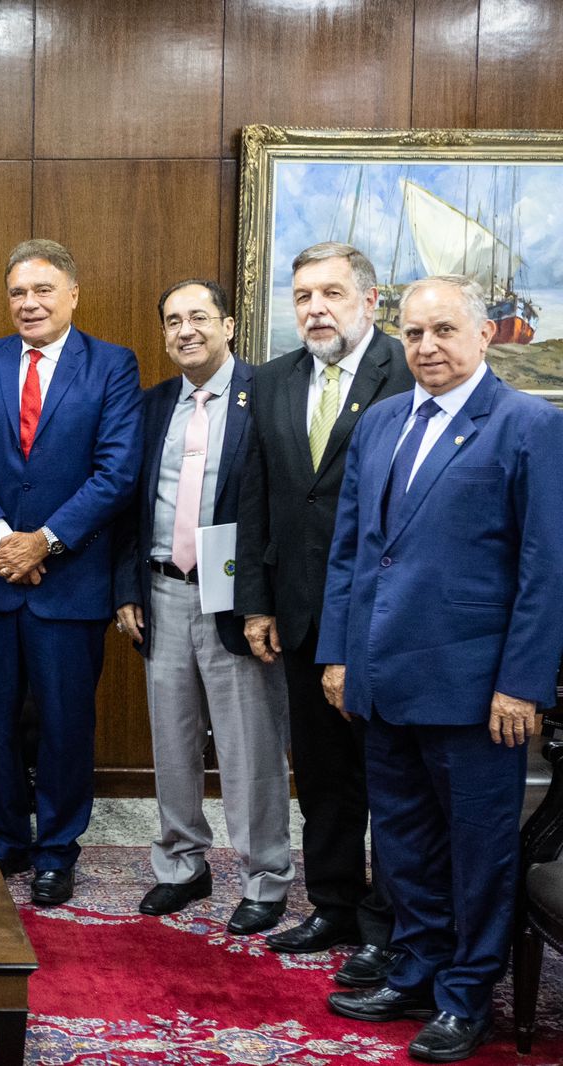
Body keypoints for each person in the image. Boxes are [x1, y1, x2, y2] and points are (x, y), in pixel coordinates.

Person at [318, 274, 563, 1062]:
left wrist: (522, 683)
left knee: (478, 853)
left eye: (445, 330)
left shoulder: (529, 425)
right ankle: (418, 970)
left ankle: (467, 996)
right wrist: (338, 654)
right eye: (415, 333)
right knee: (401, 844)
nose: (427, 347)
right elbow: (353, 551)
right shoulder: (382, 421)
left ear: (485, 334)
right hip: (383, 678)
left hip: (476, 689)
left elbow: (547, 568)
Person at [0, 238, 142, 904]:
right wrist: (5, 541)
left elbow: (116, 473)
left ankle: (58, 850)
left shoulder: (112, 365)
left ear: (73, 294)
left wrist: (44, 543)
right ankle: (5, 841)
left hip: (70, 581)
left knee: (65, 724)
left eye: (42, 290)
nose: (28, 303)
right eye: (18, 293)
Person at [236, 242, 411, 981]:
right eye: (303, 295)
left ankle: (389, 924)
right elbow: (257, 495)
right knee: (322, 774)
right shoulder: (275, 378)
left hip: (384, 619)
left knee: (390, 782)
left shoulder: (407, 369)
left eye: (332, 293)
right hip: (301, 613)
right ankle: (334, 904)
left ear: (369, 301)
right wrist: (256, 602)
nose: (315, 309)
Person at [113, 279, 291, 932]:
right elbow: (129, 505)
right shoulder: (153, 403)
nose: (185, 330)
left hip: (234, 591)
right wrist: (126, 587)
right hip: (162, 589)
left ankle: (265, 877)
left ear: (229, 325)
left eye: (198, 317)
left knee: (249, 745)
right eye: (172, 320)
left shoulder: (263, 396)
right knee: (173, 740)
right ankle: (182, 865)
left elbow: (279, 504)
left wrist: (261, 601)